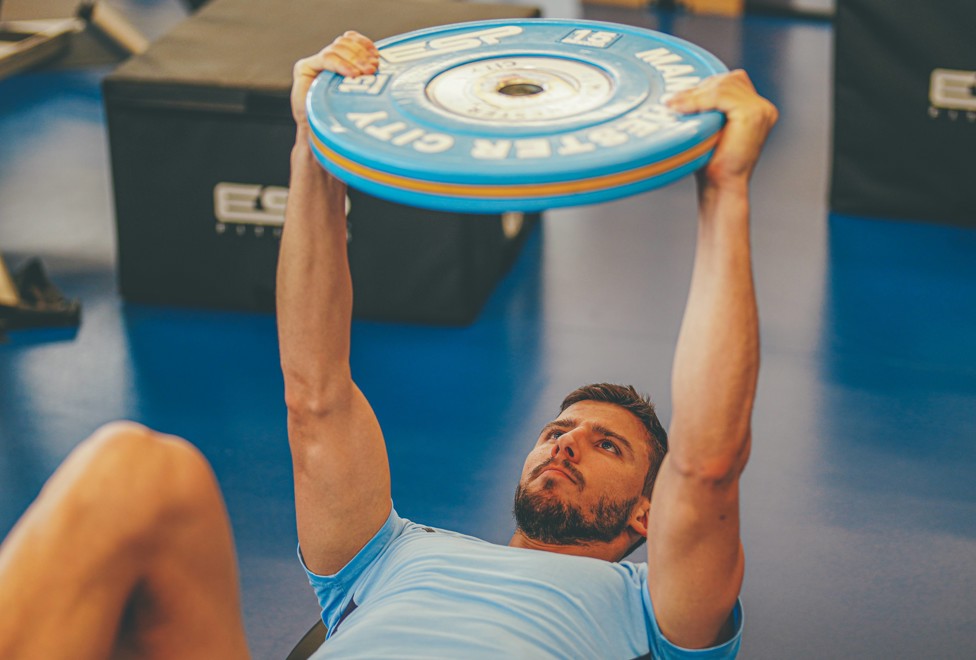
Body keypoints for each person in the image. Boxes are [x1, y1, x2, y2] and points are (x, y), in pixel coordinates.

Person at [0, 29, 777, 660]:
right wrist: (313, 147)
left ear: (647, 514)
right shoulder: (386, 555)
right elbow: (314, 392)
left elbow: (709, 466)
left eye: (605, 445)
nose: (564, 445)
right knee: (134, 467)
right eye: (557, 430)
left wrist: (725, 189)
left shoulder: (651, 614)